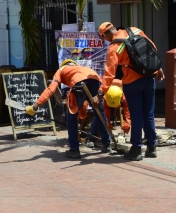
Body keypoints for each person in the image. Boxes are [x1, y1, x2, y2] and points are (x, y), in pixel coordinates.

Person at [92, 22, 165, 161]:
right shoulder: (135, 30)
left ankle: (136, 149)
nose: (105, 40)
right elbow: (152, 48)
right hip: (149, 79)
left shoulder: (114, 48)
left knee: (136, 116)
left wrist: (101, 93)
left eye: (103, 38)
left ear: (105, 35)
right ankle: (151, 147)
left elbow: (109, 74)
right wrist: (157, 68)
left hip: (132, 83)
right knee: (148, 114)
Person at [25, 59, 111, 158]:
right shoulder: (82, 68)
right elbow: (84, 102)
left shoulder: (61, 70)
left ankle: (74, 150)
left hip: (79, 83)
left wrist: (36, 105)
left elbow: (51, 88)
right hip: (96, 80)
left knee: (71, 118)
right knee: (100, 113)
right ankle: (106, 144)